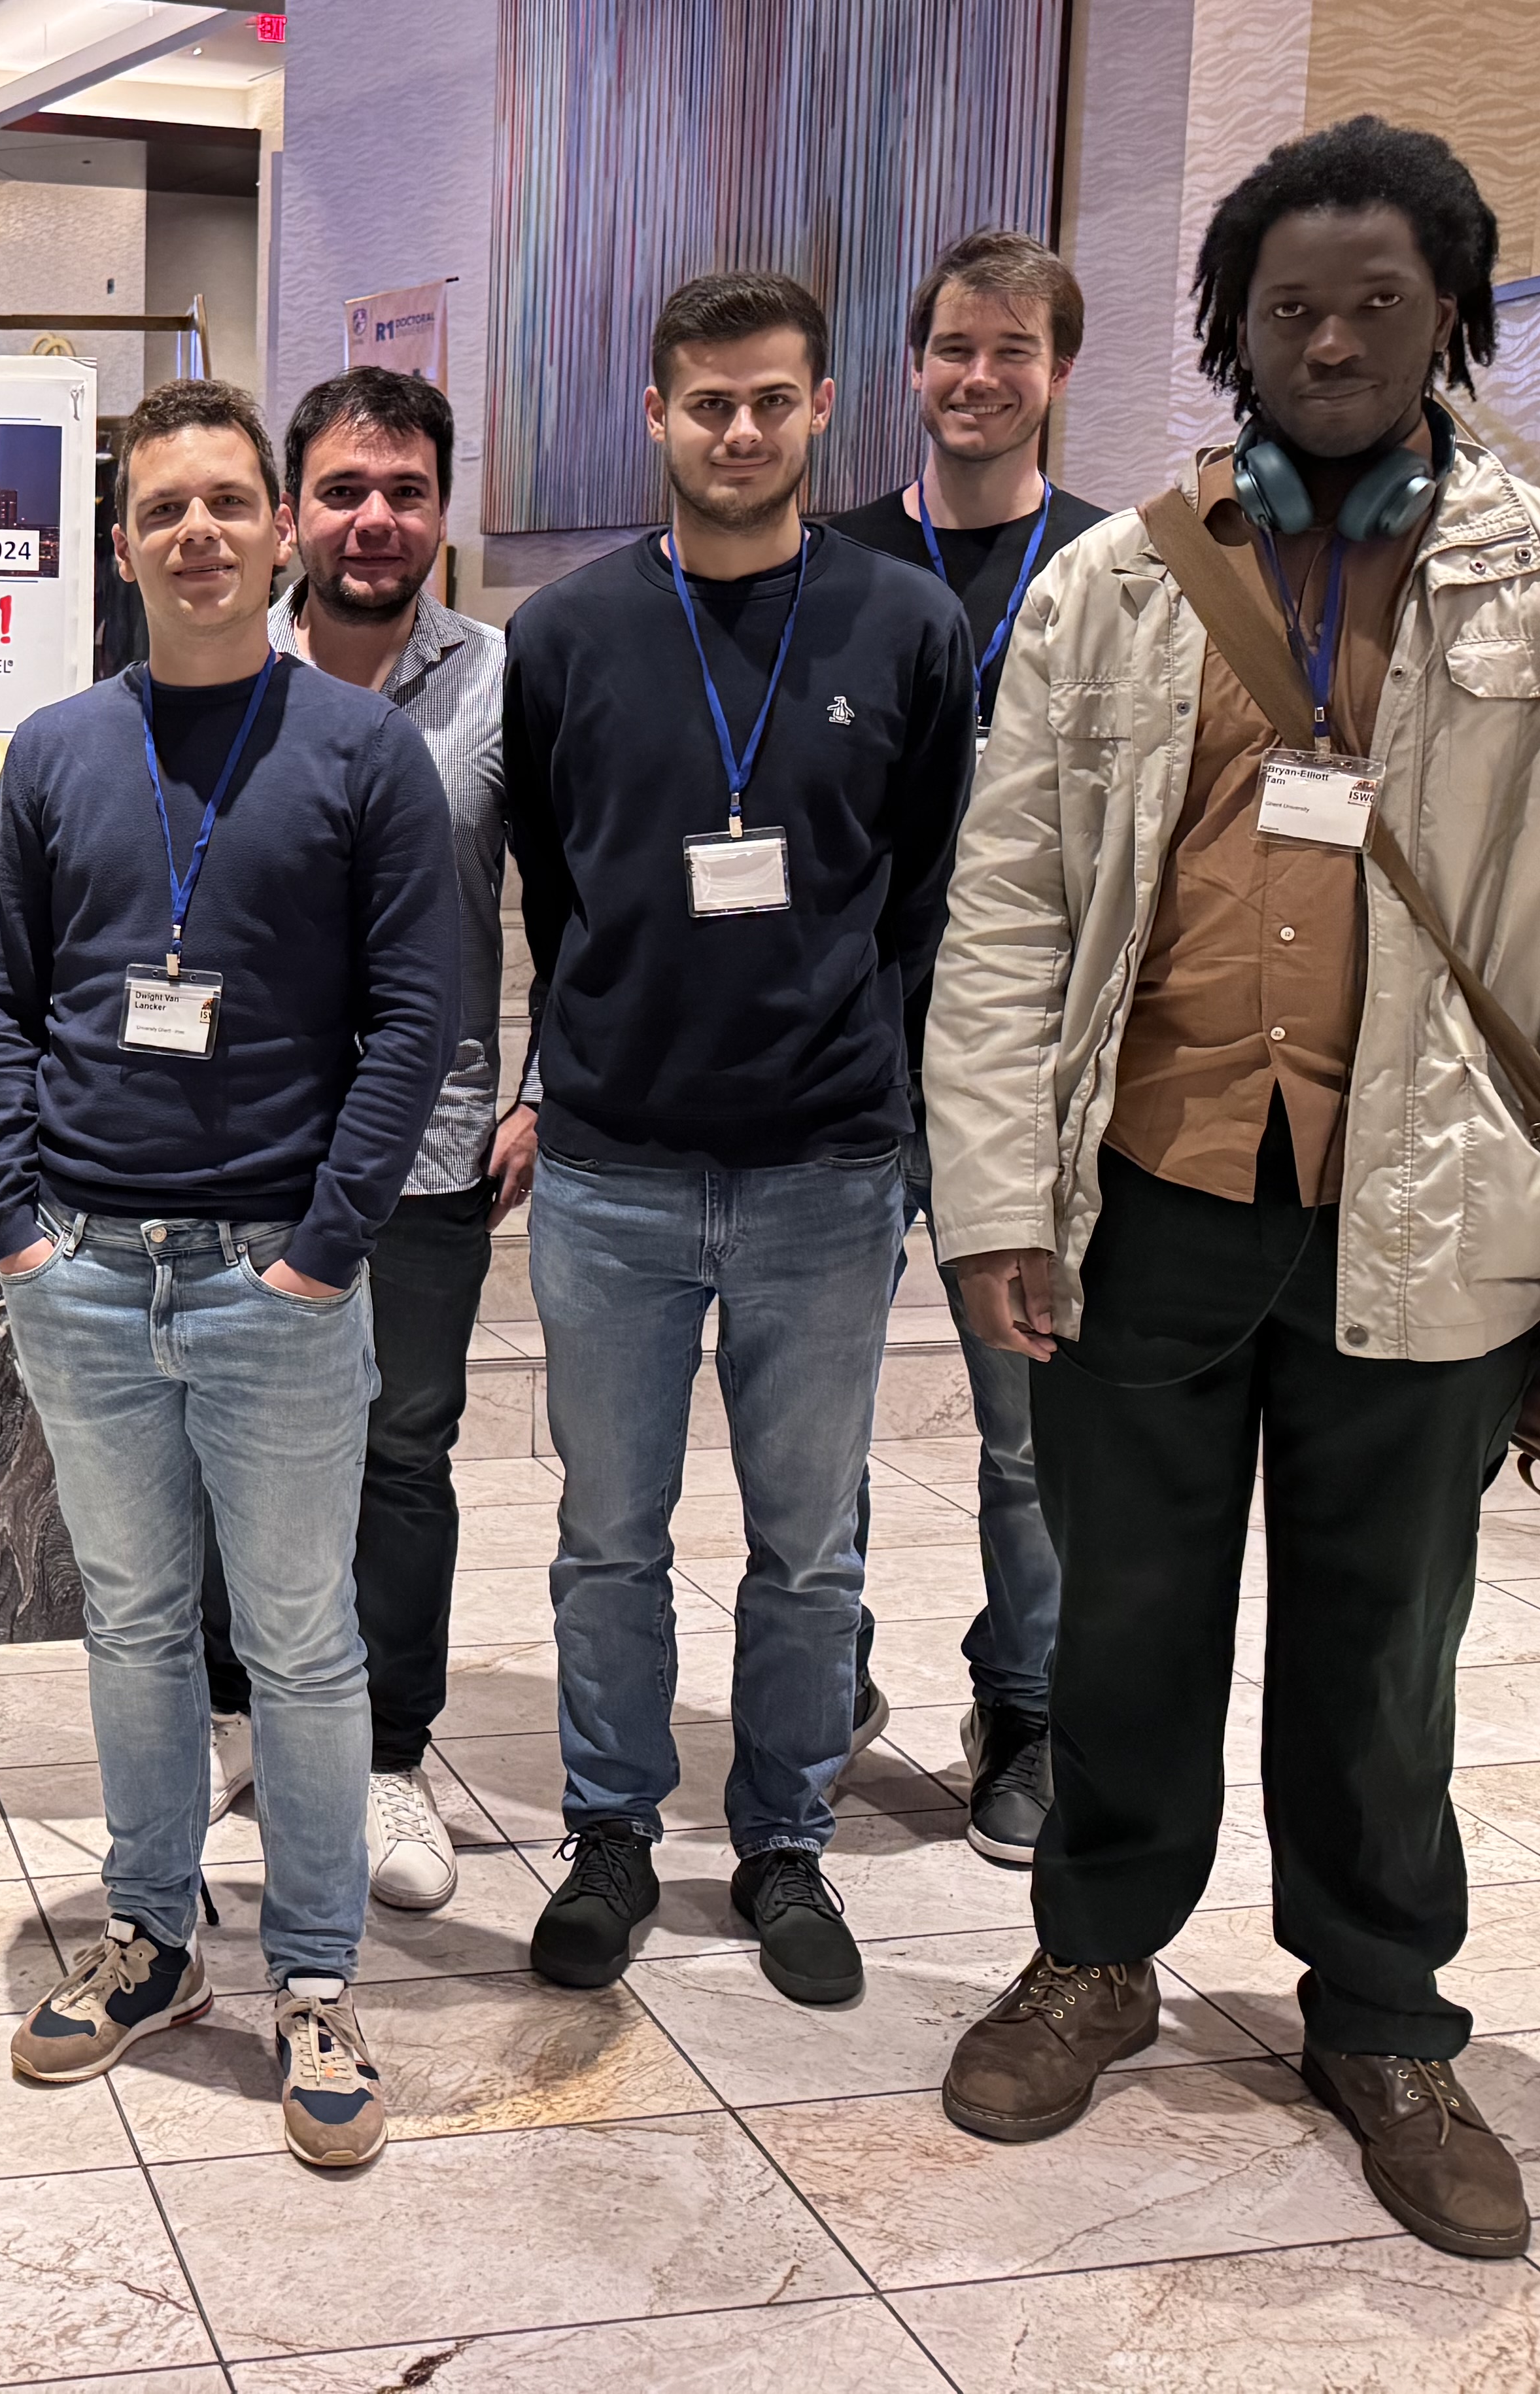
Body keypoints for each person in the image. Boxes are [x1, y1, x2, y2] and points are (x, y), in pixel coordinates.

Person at [927, 118, 1540, 2261]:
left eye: (1379, 300)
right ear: (1230, 330)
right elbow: (1006, 908)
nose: (1336, 338)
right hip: (1154, 1189)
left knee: (1385, 1648)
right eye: (1293, 307)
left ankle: (1380, 2012)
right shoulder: (1116, 586)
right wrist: (998, 1192)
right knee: (1131, 1612)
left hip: (1435, 1208)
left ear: (1449, 306)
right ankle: (1094, 1947)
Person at [0, 375, 456, 2171]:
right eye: (162, 506)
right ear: (124, 543)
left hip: (275, 1276)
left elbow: (415, 1020)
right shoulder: (55, 751)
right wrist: (17, 1219)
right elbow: (1, 1004)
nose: (196, 531)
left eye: (226, 502)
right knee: (135, 1621)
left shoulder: (359, 748)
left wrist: (328, 1249)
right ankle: (156, 1936)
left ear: (276, 530)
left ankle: (316, 1974)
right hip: (84, 1268)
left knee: (307, 1638)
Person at [505, 273, 970, 2012]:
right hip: (616, 1164)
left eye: (773, 401)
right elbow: (552, 885)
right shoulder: (567, 636)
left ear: (825, 407)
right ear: (655, 415)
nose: (742, 431)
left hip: (825, 1167)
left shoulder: (904, 627)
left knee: (810, 1543)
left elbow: (928, 892)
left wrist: (909, 1115)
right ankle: (613, 1831)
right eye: (709, 403)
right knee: (608, 1532)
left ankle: (783, 1841)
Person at [197, 365, 528, 1916]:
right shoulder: (216, 669)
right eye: (342, 490)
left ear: (441, 512)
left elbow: (583, 906)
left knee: (401, 1453)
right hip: (236, 1134)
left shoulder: (505, 685)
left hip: (433, 1141)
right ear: (288, 516)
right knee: (220, 1439)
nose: (372, 519)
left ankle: (387, 1751)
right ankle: (229, 1725)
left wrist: (550, 1089)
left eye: (403, 491)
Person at [821, 228, 1110, 1866]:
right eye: (953, 348)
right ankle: (825, 1673)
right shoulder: (837, 561)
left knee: (1029, 1429)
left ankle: (1026, 1704)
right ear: (910, 369)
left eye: (1014, 351)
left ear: (1061, 372)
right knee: (824, 1411)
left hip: (1038, 1077)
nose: (979, 378)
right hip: (859, 1054)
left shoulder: (1119, 572)